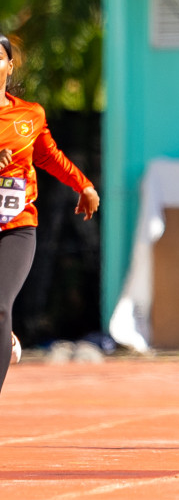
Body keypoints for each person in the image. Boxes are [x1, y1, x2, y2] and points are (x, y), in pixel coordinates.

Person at [0, 35, 99, 391]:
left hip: (16, 226)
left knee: (0, 302)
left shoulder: (29, 114)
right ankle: (5, 335)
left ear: (10, 66)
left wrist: (84, 185)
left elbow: (48, 156)